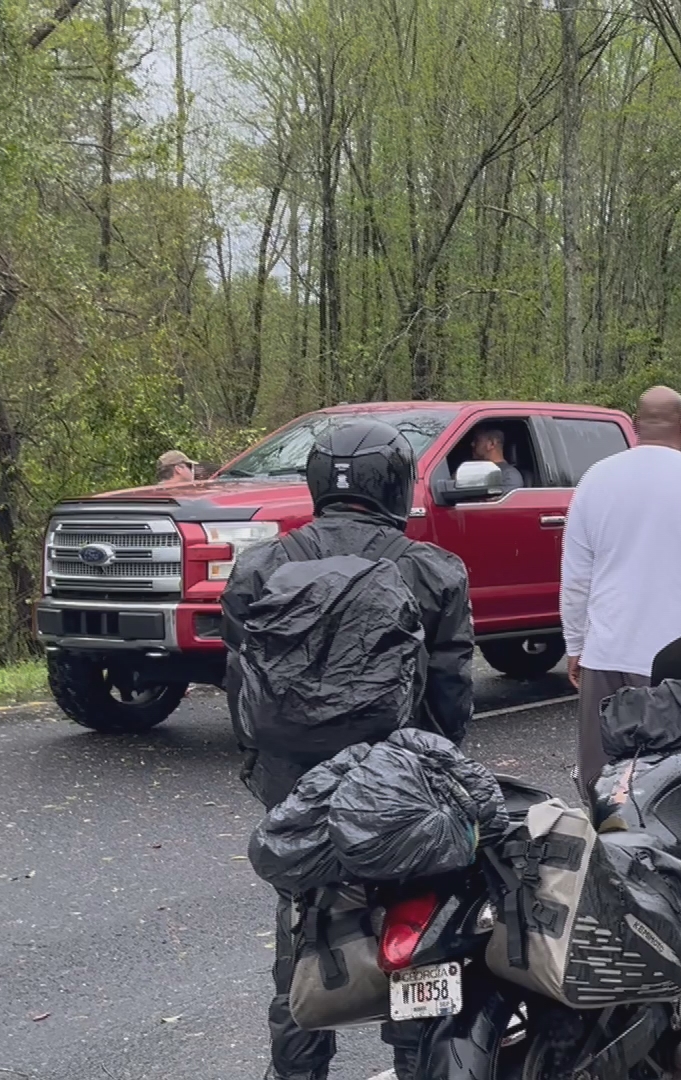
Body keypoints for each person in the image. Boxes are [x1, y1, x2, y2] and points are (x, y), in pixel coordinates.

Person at [221, 418, 475, 1080]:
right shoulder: (435, 572)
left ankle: (299, 1070)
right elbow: (451, 700)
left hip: (300, 794)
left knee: (302, 944)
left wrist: (274, 778)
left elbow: (241, 691)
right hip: (402, 795)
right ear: (394, 484)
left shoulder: (260, 569)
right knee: (425, 939)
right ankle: (419, 1060)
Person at [560, 385, 681, 801]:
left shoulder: (594, 481)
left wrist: (576, 645)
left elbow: (576, 577)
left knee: (603, 787)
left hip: (608, 658)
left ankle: (607, 857)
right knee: (674, 790)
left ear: (634, 427)